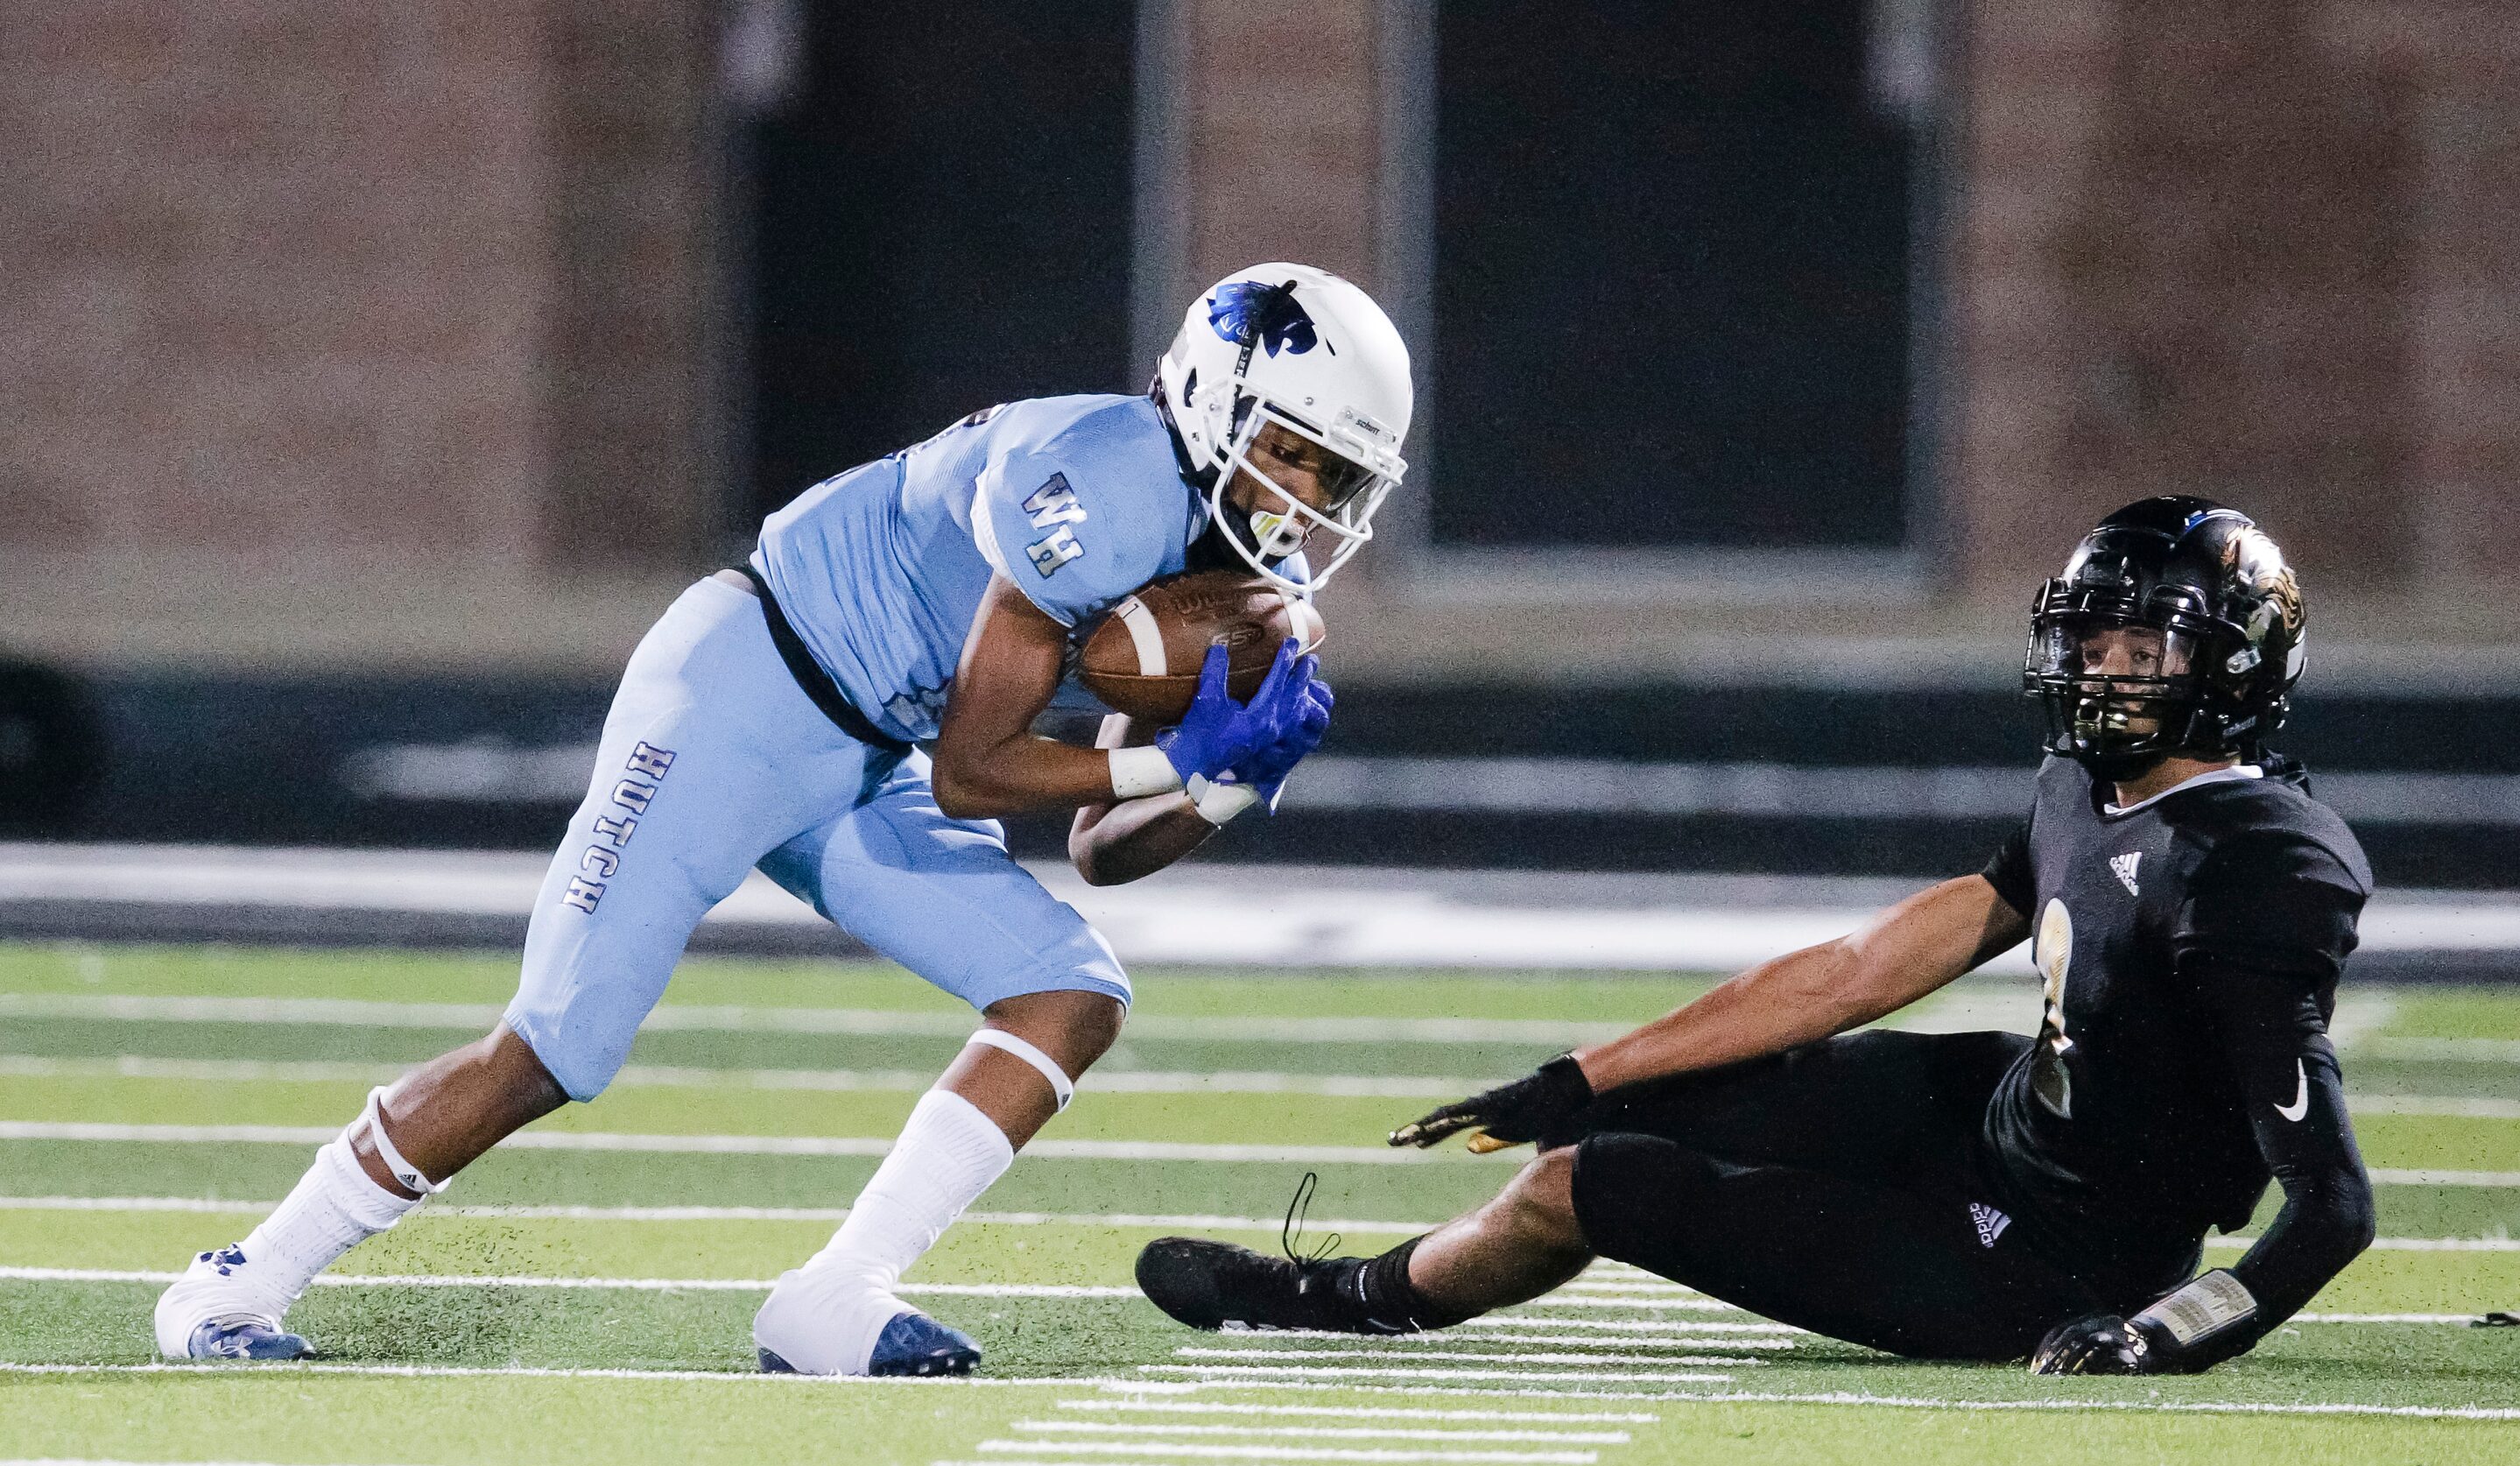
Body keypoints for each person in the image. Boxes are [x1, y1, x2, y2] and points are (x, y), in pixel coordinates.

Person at [156, 262, 1412, 1378]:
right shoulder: (1090, 476)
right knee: (555, 1046)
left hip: (866, 750)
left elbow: (1101, 853)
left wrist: (1225, 780)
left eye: (1335, 473)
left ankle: (833, 1295)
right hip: (746, 689)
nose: (1304, 500)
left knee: (1066, 989)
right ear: (1213, 397)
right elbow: (980, 772)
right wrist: (1167, 763)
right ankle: (238, 1281)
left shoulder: (1255, 587)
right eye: (1292, 451)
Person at [1138, 497, 2376, 1375]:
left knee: (1586, 1182)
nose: (2101, 675)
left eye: (2141, 649)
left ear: (2234, 664)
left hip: (2062, 1256)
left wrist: (2167, 1328)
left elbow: (2332, 1205)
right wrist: (1583, 1072)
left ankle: (1327, 1300)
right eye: (2087, 642)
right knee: (1614, 1113)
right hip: (1997, 1114)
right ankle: (1521, 1162)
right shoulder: (2083, 783)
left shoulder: (2255, 862)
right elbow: (1859, 970)